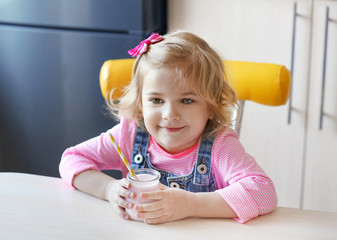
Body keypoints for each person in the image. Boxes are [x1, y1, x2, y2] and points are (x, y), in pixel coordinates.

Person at [59, 31, 277, 224]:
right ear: (140, 104)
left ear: (211, 106)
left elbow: (264, 193)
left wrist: (192, 205)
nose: (170, 114)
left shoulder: (219, 145)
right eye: (156, 100)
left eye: (187, 100)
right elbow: (71, 159)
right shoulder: (130, 135)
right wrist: (109, 189)